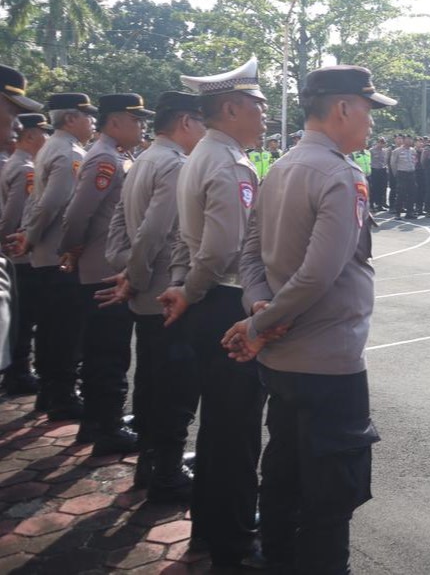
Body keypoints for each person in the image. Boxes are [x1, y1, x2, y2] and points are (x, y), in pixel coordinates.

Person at [227, 65, 393, 575]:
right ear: (342, 108)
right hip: (328, 360)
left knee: (284, 468)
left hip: (283, 358)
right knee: (331, 490)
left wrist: (259, 308)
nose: (371, 121)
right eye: (367, 109)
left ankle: (276, 557)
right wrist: (259, 324)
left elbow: (250, 254)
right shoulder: (342, 175)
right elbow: (319, 274)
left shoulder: (279, 167)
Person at [162, 56, 268, 570]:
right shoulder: (228, 162)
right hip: (225, 300)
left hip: (208, 301)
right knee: (236, 431)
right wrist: (191, 290)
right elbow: (224, 248)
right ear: (231, 108)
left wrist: (186, 288)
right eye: (258, 106)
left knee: (219, 426)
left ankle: (209, 526)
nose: (265, 115)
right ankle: (234, 542)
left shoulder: (203, 153)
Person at [103, 91, 205, 502]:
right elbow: (154, 231)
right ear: (186, 122)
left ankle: (151, 463)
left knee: (149, 380)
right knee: (174, 388)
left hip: (146, 291)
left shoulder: (145, 158)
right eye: (203, 122)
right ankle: (167, 471)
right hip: (165, 293)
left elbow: (119, 224)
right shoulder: (175, 165)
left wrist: (125, 268)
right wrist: (135, 276)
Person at [59, 93, 154, 455]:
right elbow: (78, 213)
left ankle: (97, 422)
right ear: (114, 122)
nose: (142, 127)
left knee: (105, 350)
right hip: (102, 270)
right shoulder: (105, 159)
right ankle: (106, 428)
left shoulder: (115, 156)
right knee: (108, 353)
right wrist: (71, 249)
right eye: (136, 120)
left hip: (104, 266)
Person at [14, 92, 97, 420]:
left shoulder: (52, 147)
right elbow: (53, 203)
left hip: (46, 253)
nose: (92, 122)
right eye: (87, 116)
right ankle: (62, 396)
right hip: (59, 254)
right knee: (65, 331)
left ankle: (49, 393)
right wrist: (31, 237)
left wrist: (30, 236)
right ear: (71, 118)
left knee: (50, 328)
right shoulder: (68, 152)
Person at [0, 107, 50, 396]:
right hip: (19, 252)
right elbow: (13, 215)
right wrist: (9, 241)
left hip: (14, 251)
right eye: (43, 133)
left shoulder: (13, 163)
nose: (46, 138)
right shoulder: (25, 168)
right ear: (30, 136)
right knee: (24, 317)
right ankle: (18, 373)